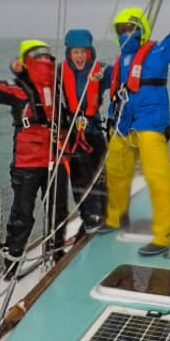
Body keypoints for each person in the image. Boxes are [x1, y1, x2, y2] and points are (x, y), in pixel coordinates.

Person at [102, 0, 170, 256]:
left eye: (129, 28)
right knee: (116, 173)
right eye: (121, 29)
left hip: (150, 124)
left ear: (140, 29)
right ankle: (114, 217)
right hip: (122, 125)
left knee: (158, 179)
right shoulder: (119, 62)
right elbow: (105, 87)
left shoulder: (158, 52)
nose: (125, 33)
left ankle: (162, 235)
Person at [0, 37, 69, 278]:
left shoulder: (58, 86)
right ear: (27, 60)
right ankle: (13, 261)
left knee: (58, 210)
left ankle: (56, 252)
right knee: (22, 215)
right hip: (28, 162)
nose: (45, 59)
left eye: (47, 55)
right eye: (38, 55)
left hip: (56, 157)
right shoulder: (17, 89)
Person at [57, 28, 110, 237]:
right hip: (74, 131)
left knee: (101, 173)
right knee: (80, 176)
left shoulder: (101, 69)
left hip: (94, 129)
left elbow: (121, 76)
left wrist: (105, 77)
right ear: (69, 53)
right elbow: (40, 80)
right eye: (75, 52)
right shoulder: (60, 72)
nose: (79, 56)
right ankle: (90, 216)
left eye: (82, 52)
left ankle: (105, 212)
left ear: (89, 52)